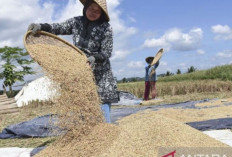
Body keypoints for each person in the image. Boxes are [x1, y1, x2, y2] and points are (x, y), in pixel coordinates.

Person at [27, 0, 119, 123]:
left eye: (97, 11)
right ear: (86, 7)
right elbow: (58, 27)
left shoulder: (106, 28)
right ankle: (87, 131)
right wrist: (42, 27)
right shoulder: (76, 22)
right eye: (91, 9)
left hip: (101, 71)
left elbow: (107, 52)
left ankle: (105, 130)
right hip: (80, 68)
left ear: (101, 14)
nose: (93, 13)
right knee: (82, 101)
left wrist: (94, 58)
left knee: (103, 100)